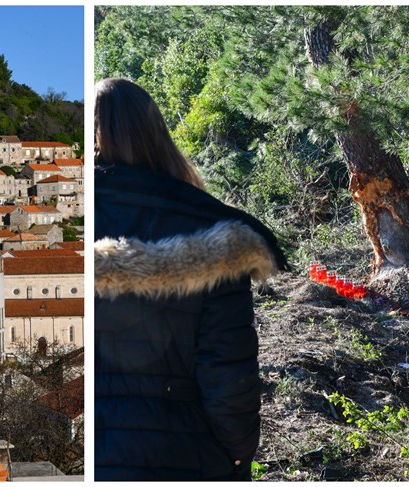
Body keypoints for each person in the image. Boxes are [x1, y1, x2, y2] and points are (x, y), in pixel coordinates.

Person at [94, 77, 289, 481]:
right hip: (184, 451)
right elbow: (228, 370)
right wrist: (236, 458)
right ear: (156, 133)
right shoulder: (213, 232)